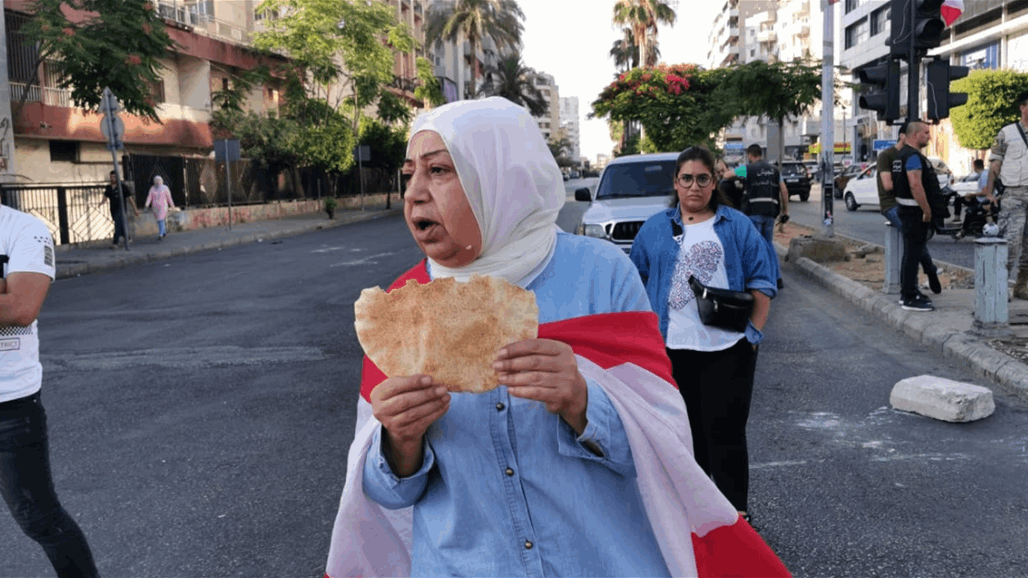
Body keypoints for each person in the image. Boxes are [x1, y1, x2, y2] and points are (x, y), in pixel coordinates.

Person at [323, 98, 789, 578]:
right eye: (409, 175)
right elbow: (386, 496)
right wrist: (399, 442)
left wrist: (584, 402)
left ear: (502, 178)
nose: (414, 194)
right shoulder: (399, 309)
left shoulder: (602, 275)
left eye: (439, 170)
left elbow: (670, 448)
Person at [629, 145, 779, 526]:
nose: (694, 186)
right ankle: (696, 517)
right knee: (685, 435)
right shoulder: (655, 228)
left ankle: (735, 520)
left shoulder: (736, 225)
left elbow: (763, 279)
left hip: (727, 348)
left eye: (702, 179)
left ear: (714, 183)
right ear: (676, 183)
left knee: (726, 433)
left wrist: (751, 335)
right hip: (671, 351)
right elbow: (637, 279)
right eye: (686, 179)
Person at [1, 202, 101, 577]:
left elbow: (21, 307)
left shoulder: (24, 229)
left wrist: (11, 295)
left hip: (8, 403)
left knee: (39, 518)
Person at [877, 122, 941, 302]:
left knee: (913, 248)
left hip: (905, 207)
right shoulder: (907, 157)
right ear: (908, 135)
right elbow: (911, 184)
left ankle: (913, 288)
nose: (929, 136)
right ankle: (910, 293)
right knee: (913, 248)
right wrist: (926, 209)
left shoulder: (903, 156)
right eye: (926, 133)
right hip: (903, 207)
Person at [983, 90, 1028, 299]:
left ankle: (1022, 286)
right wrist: (989, 192)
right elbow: (995, 164)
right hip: (1014, 195)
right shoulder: (1007, 133)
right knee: (1010, 242)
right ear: (1022, 107)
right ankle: (999, 286)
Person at [739, 144, 788, 289]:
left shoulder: (747, 169)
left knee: (754, 246)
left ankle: (757, 279)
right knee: (768, 244)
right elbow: (784, 191)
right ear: (761, 154)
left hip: (754, 212)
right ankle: (777, 278)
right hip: (771, 213)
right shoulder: (774, 170)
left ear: (749, 155)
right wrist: (786, 212)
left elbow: (728, 175)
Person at [97, 170, 138, 249]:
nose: (112, 178)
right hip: (113, 209)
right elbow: (105, 196)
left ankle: (115, 243)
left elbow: (130, 198)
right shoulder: (108, 187)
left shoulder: (122, 187)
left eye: (114, 177)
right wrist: (101, 202)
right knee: (119, 224)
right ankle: (127, 237)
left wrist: (135, 209)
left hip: (121, 209)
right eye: (111, 177)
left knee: (117, 225)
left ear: (117, 177)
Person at [144, 176, 175, 241]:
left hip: (163, 206)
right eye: (156, 180)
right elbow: (149, 197)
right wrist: (146, 205)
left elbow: (169, 197)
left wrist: (172, 206)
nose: (157, 182)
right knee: (160, 220)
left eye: (159, 180)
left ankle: (160, 234)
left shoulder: (165, 188)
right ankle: (164, 232)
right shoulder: (152, 188)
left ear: (161, 180)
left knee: (160, 219)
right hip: (155, 207)